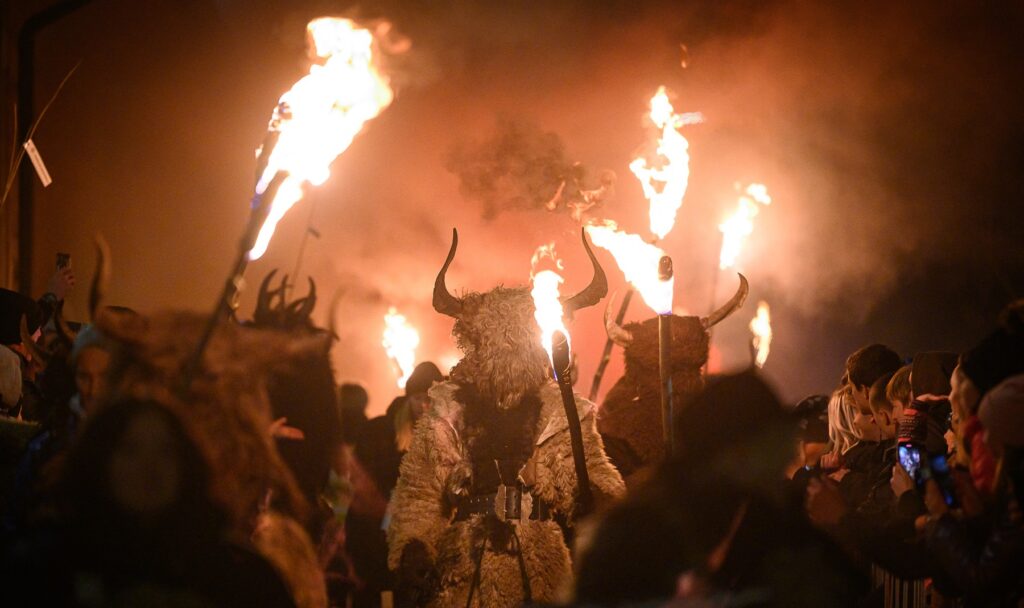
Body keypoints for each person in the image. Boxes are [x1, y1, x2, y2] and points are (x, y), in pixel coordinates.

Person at [576, 371, 867, 606]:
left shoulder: (774, 517)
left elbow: (844, 585)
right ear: (736, 453)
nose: (786, 453)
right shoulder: (638, 527)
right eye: (770, 440)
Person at [1, 398, 296, 607]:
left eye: (166, 450)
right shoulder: (47, 562)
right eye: (131, 449)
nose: (150, 466)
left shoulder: (234, 572)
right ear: (102, 459)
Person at [346, 362, 443, 607]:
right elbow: (350, 480)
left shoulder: (443, 436)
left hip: (420, 539)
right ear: (409, 397)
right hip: (376, 534)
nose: (424, 406)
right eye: (419, 398)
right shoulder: (378, 431)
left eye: (430, 400)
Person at [924, 374, 1024, 606]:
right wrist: (978, 518)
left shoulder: (1016, 497)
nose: (983, 439)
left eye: (987, 430)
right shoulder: (1011, 488)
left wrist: (941, 519)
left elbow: (986, 577)